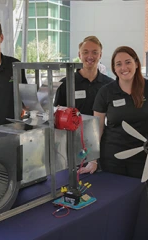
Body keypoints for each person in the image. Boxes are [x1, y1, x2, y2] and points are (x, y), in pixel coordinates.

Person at [91, 46, 148, 195]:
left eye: (128, 62)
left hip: (143, 157)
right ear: (114, 69)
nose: (124, 67)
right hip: (113, 156)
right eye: (118, 64)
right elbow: (97, 128)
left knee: (139, 201)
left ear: (136, 63)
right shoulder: (106, 92)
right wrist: (93, 159)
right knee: (114, 201)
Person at [54, 36, 114, 174]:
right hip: (72, 145)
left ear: (100, 55)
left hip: (102, 144)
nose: (90, 56)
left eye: (94, 52)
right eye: (85, 52)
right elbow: (56, 118)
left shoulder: (109, 85)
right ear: (79, 54)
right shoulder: (66, 83)